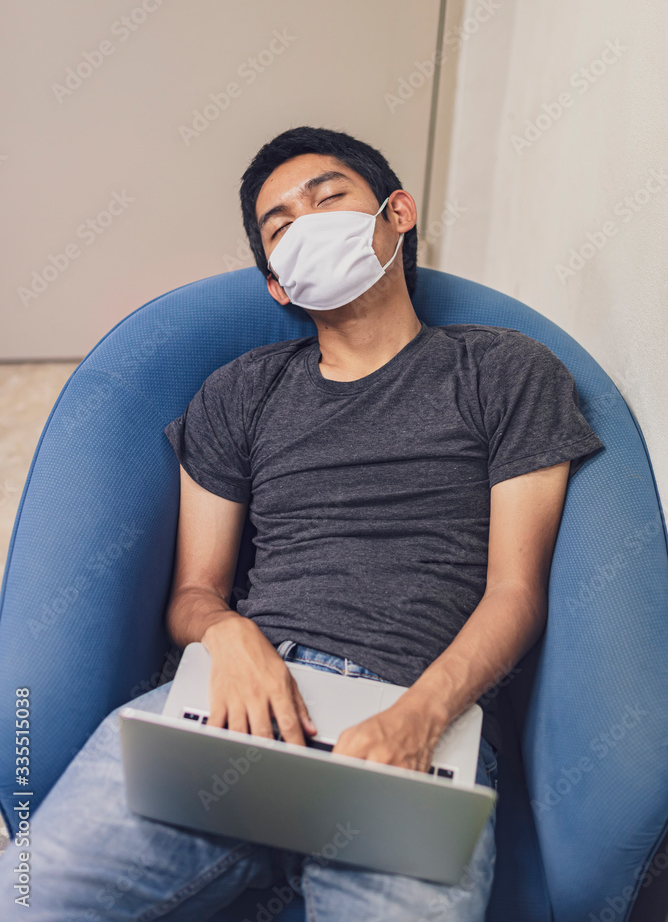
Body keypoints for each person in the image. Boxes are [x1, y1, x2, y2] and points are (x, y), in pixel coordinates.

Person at [0, 126, 604, 921]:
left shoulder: (506, 371)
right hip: (237, 704)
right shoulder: (237, 393)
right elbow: (193, 592)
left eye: (329, 198)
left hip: (417, 725)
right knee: (30, 899)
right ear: (278, 284)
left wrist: (419, 719)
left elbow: (517, 591)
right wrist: (229, 639)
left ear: (398, 214)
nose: (307, 226)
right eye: (280, 227)